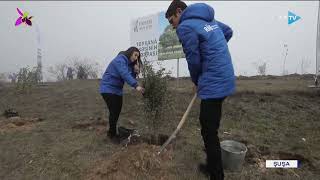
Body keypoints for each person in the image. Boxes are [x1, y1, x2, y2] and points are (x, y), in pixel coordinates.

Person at [165, 1, 236, 179]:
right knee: (211, 125)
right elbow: (228, 31)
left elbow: (193, 58)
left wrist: (196, 80)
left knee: (208, 131)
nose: (173, 27)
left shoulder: (185, 26)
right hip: (226, 78)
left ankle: (216, 175)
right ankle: (213, 165)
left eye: (171, 21)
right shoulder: (209, 20)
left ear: (179, 12)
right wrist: (214, 50)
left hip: (213, 81)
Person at [100, 47, 144, 143]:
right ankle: (112, 135)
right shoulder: (120, 59)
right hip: (108, 88)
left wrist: (135, 72)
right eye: (135, 55)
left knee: (117, 112)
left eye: (138, 56)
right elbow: (124, 74)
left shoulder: (128, 64)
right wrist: (136, 86)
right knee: (114, 112)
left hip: (117, 90)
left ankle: (114, 131)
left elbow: (129, 76)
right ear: (130, 53)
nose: (136, 58)